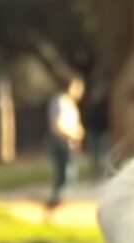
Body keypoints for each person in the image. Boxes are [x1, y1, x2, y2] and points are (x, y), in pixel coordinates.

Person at [47, 77, 86, 215]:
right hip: (62, 143)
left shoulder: (70, 104)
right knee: (65, 175)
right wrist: (72, 135)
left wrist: (78, 133)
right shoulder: (60, 102)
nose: (80, 91)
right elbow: (56, 125)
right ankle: (55, 205)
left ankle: (56, 204)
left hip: (69, 142)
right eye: (77, 87)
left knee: (67, 175)